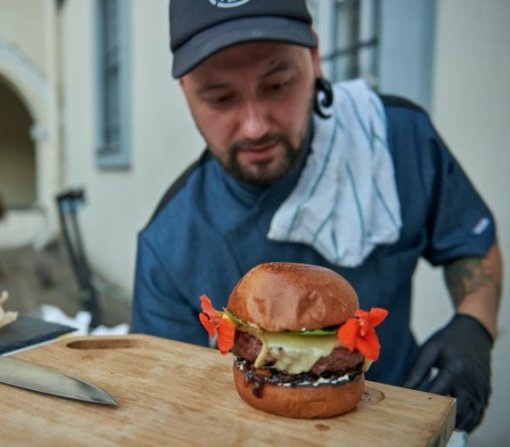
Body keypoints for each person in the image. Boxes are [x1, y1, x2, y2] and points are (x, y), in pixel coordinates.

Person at [131, 0, 502, 434]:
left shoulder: (398, 142)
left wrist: (475, 324)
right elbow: (167, 398)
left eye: (277, 84)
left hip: (403, 421)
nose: (254, 125)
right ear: (185, 93)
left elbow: (472, 246)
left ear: (314, 60)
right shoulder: (168, 243)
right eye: (220, 97)